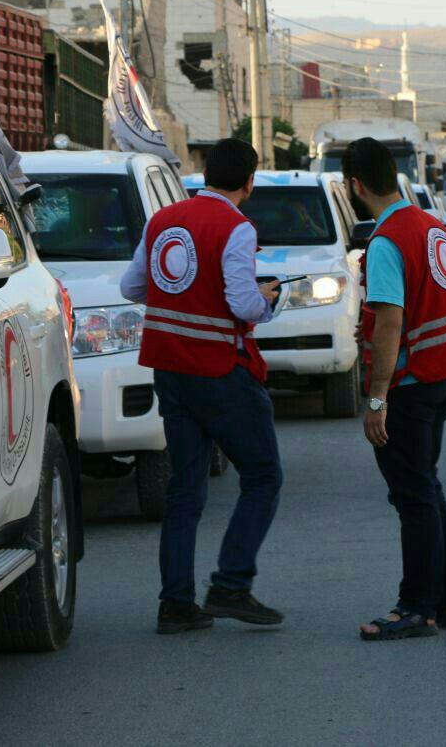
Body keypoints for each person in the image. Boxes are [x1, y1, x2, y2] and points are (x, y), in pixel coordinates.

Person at [120, 137, 286, 634]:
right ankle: (230, 585)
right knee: (262, 475)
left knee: (184, 489)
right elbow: (242, 305)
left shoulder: (164, 220)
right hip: (219, 370)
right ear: (249, 182)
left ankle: (176, 603)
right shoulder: (236, 227)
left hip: (170, 369)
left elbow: (132, 288)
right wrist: (267, 298)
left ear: (205, 173)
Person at [341, 137, 446, 641]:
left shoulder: (386, 241)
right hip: (444, 379)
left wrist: (376, 399)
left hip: (411, 386)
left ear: (354, 185)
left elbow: (390, 321)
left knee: (414, 494)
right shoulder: (430, 225)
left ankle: (417, 607)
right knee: (427, 488)